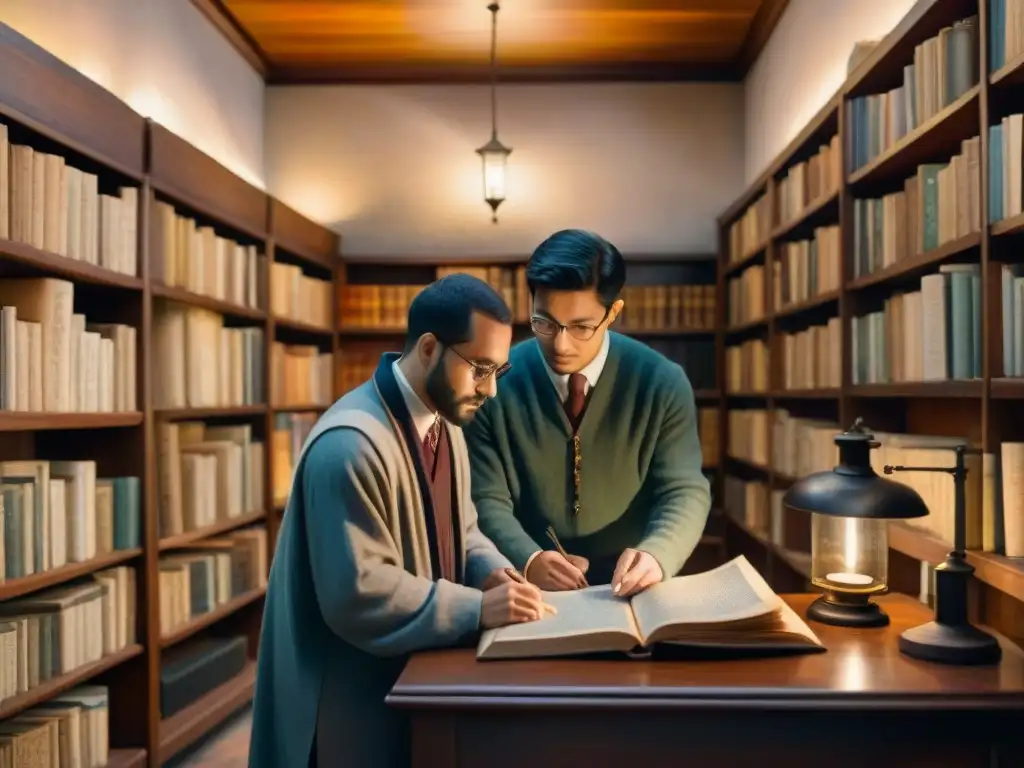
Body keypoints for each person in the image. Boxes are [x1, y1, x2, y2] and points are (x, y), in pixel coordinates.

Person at [249, 273, 546, 768]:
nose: (491, 390)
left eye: (500, 370)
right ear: (429, 348)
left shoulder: (445, 422)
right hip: (348, 705)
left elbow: (464, 529)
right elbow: (358, 591)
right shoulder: (349, 445)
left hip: (413, 676)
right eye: (480, 369)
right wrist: (477, 609)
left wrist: (492, 571)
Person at [464, 229, 712, 598]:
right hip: (525, 581)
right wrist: (529, 558)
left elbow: (684, 490)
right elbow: (484, 498)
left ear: (613, 313)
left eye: (581, 326)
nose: (560, 345)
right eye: (544, 323)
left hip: (633, 582)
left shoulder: (662, 381)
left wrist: (658, 554)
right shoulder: (493, 382)